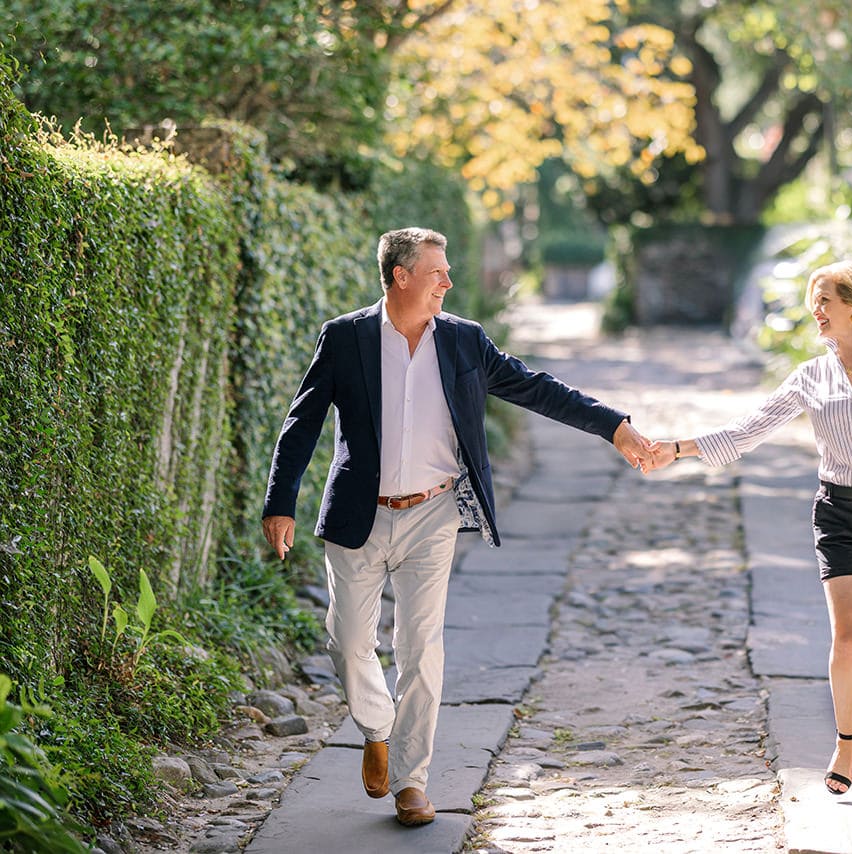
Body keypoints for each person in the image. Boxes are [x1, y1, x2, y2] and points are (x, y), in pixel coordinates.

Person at [261, 227, 655, 827]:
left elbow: (535, 387)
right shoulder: (347, 338)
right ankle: (377, 730)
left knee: (421, 650)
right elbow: (303, 420)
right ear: (401, 276)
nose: (448, 280)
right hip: (357, 516)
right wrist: (279, 501)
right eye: (437, 271)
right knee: (347, 642)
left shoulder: (466, 342)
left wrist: (613, 425)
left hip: (432, 513)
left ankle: (412, 782)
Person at [647, 260, 852, 811]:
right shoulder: (811, 376)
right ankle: (846, 748)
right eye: (813, 301)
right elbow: (749, 430)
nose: (813, 311)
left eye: (823, 300)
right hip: (838, 513)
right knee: (848, 638)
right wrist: (678, 448)